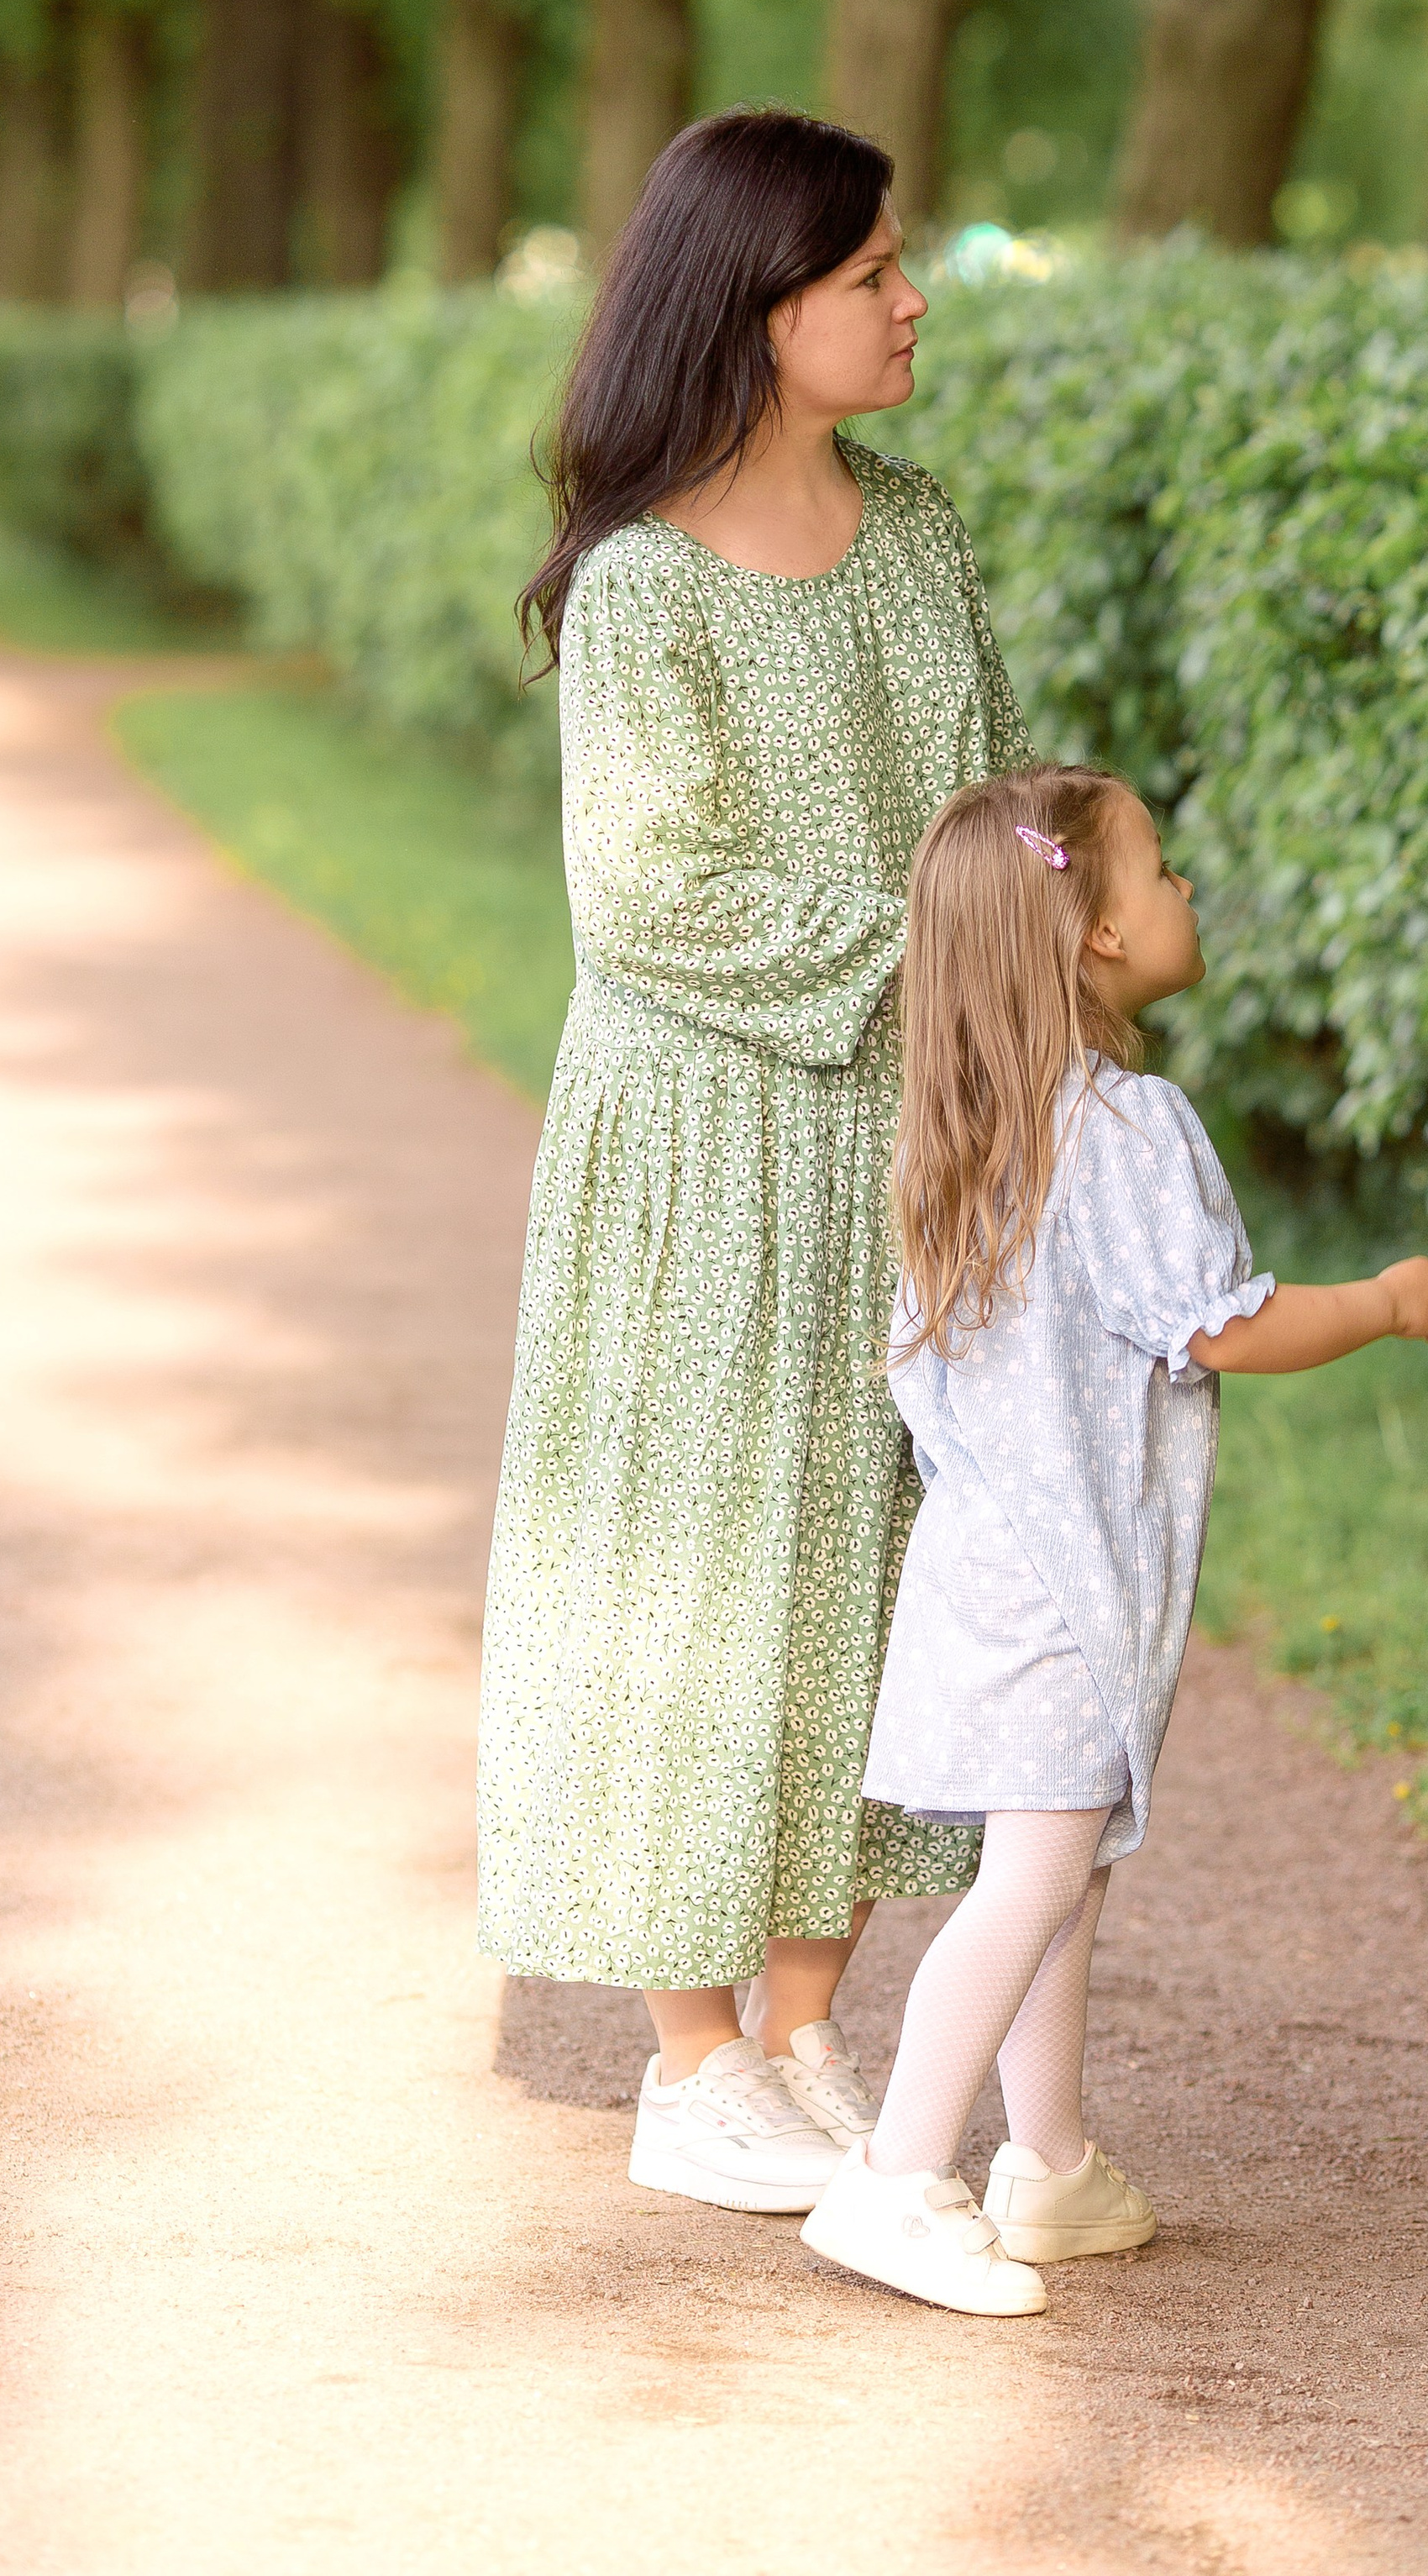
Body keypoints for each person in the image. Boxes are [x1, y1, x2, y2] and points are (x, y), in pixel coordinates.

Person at [479, 108, 1032, 2215]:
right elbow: (647, 897)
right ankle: (685, 2054)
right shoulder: (639, 586)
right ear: (758, 299)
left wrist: (1029, 1000)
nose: (911, 298)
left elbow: (989, 814)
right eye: (872, 268)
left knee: (887, 1567)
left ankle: (804, 2020)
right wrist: (931, 969)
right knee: (697, 1572)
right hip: (706, 1135)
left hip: (910, 1130)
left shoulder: (919, 532)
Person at [800, 763, 1428, 2315]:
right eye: (1159, 875)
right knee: (1030, 1882)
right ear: (1093, 938)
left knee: (1061, 1866)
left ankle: (1052, 2164)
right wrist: (1378, 1302)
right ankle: (896, 2177)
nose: (1185, 896)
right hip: (1059, 1590)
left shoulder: (974, 1133)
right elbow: (1219, 1330)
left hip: (990, 1567)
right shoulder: (1124, 1127)